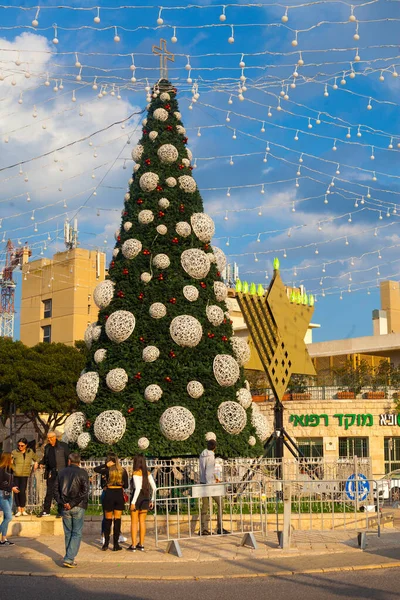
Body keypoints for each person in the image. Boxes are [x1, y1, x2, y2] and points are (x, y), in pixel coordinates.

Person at [54, 452, 89, 568]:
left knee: (68, 533)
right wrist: (73, 503)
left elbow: (55, 490)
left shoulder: (61, 472)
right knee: (77, 533)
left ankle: (69, 557)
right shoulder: (83, 473)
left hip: (65, 506)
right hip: (78, 505)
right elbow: (84, 492)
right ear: (79, 462)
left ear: (69, 461)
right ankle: (69, 558)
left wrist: (63, 503)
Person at [94, 454, 128, 551]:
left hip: (109, 494)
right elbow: (126, 485)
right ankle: (116, 544)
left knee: (107, 520)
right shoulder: (123, 471)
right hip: (118, 495)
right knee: (117, 520)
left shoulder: (106, 470)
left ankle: (106, 544)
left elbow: (96, 469)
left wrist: (105, 465)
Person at [199, 439, 229, 535]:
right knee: (221, 504)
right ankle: (219, 528)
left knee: (205, 506)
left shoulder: (202, 455)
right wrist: (211, 484)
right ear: (215, 447)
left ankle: (203, 529)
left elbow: (204, 470)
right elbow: (209, 472)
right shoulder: (211, 456)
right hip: (209, 485)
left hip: (202, 482)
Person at [128, 454, 156, 552]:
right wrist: (152, 500)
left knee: (134, 522)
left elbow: (138, 488)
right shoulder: (148, 473)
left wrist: (133, 502)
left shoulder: (135, 473)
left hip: (137, 498)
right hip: (145, 498)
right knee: (142, 522)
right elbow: (155, 488)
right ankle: (142, 544)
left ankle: (134, 545)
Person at [39, 430, 69, 517]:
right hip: (51, 472)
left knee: (61, 491)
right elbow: (45, 458)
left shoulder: (63, 446)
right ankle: (46, 510)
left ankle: (61, 511)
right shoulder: (47, 447)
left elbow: (68, 458)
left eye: (51, 438)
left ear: (55, 437)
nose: (49, 440)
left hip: (62, 472)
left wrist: (68, 470)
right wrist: (40, 462)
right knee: (49, 491)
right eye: (48, 438)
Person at [11, 438, 38, 516]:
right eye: (19, 445)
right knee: (16, 491)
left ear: (26, 445)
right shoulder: (14, 452)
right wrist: (12, 466)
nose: (20, 447)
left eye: (22, 446)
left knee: (22, 491)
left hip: (25, 474)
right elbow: (9, 461)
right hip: (16, 474)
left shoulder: (30, 452)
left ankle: (23, 508)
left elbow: (37, 458)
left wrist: (36, 463)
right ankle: (19, 509)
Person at [0, 452, 20, 546]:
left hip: (8, 494)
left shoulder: (10, 470)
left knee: (6, 517)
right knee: (8, 517)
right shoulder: (1, 469)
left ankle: (3, 539)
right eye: (12, 457)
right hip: (2, 494)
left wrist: (14, 487)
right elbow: (1, 483)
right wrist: (11, 488)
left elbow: (11, 482)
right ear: (7, 458)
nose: (13, 459)